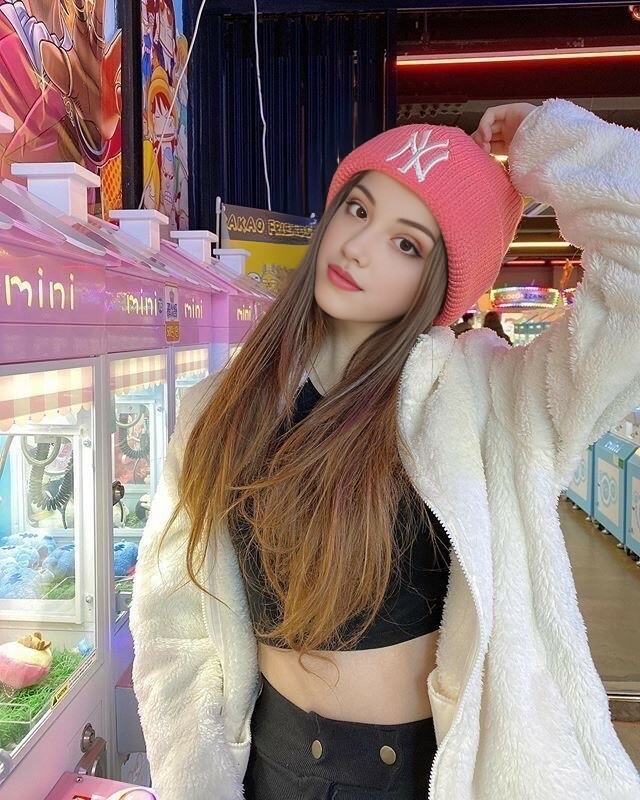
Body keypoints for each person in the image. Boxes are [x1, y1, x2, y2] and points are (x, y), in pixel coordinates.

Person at [130, 99, 640, 800]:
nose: (360, 247)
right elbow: (174, 622)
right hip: (269, 772)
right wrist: (190, 781)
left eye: (408, 244)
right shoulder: (222, 407)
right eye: (358, 209)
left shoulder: (492, 403)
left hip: (426, 777)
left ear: (443, 283)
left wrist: (546, 138)